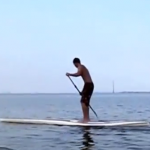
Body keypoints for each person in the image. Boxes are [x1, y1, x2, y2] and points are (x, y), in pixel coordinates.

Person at [66, 58, 94, 123]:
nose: (75, 66)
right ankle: (87, 118)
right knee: (85, 102)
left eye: (74, 65)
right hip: (89, 85)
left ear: (75, 63)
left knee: (83, 101)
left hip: (88, 85)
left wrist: (69, 74)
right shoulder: (83, 67)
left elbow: (78, 74)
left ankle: (86, 119)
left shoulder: (80, 66)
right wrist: (82, 92)